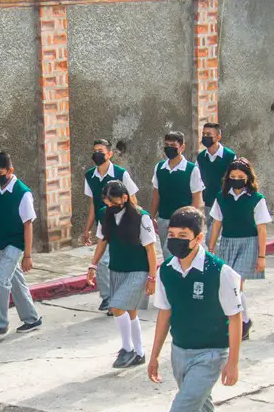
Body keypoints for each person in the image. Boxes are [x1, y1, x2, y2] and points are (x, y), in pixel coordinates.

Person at [148, 206, 242, 412]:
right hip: (180, 352)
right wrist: (154, 356)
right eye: (171, 234)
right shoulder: (166, 271)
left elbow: (235, 317)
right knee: (201, 410)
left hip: (211, 354)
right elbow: (165, 314)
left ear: (198, 238)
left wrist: (233, 363)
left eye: (182, 236)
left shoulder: (220, 272)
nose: (174, 240)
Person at [87, 180, 159, 368]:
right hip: (117, 269)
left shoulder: (141, 217)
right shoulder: (104, 215)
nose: (110, 206)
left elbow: (151, 250)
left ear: (124, 198)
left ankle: (127, 348)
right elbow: (102, 241)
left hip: (138, 270)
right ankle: (140, 352)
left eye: (113, 201)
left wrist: (152, 277)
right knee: (130, 312)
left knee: (117, 306)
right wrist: (93, 265)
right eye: (107, 202)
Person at [208, 159, 271, 341]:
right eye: (233, 176)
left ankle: (241, 321)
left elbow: (261, 229)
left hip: (249, 244)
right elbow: (217, 223)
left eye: (240, 177)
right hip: (228, 243)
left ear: (248, 178)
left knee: (237, 283)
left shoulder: (256, 199)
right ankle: (244, 319)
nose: (236, 179)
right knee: (228, 284)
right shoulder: (221, 197)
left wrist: (261, 256)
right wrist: (211, 246)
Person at [0, 151, 42, 335]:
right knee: (16, 282)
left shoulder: (22, 193)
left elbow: (28, 224)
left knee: (0, 281)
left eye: (1, 173)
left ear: (10, 170)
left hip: (15, 245)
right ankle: (32, 319)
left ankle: (1, 324)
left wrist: (28, 255)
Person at [83, 139, 140, 313]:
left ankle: (119, 298)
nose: (97, 154)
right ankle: (108, 298)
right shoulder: (90, 176)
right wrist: (87, 229)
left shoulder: (121, 174)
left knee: (115, 262)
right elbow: (92, 204)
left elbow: (133, 199)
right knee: (102, 262)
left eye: (101, 150)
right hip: (105, 225)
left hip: (122, 225)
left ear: (109, 154)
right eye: (95, 150)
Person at [152, 131, 206, 258]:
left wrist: (190, 219)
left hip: (182, 220)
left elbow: (197, 198)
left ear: (182, 147)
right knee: (168, 254)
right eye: (167, 144)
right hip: (163, 219)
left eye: (173, 145)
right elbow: (156, 194)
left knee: (170, 251)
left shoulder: (191, 169)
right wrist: (152, 216)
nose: (169, 148)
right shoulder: (159, 168)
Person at [196, 123, 236, 215]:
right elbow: (197, 180)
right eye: (203, 134)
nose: (205, 137)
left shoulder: (230, 156)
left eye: (209, 135)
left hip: (224, 204)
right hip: (207, 205)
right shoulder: (201, 157)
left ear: (218, 137)